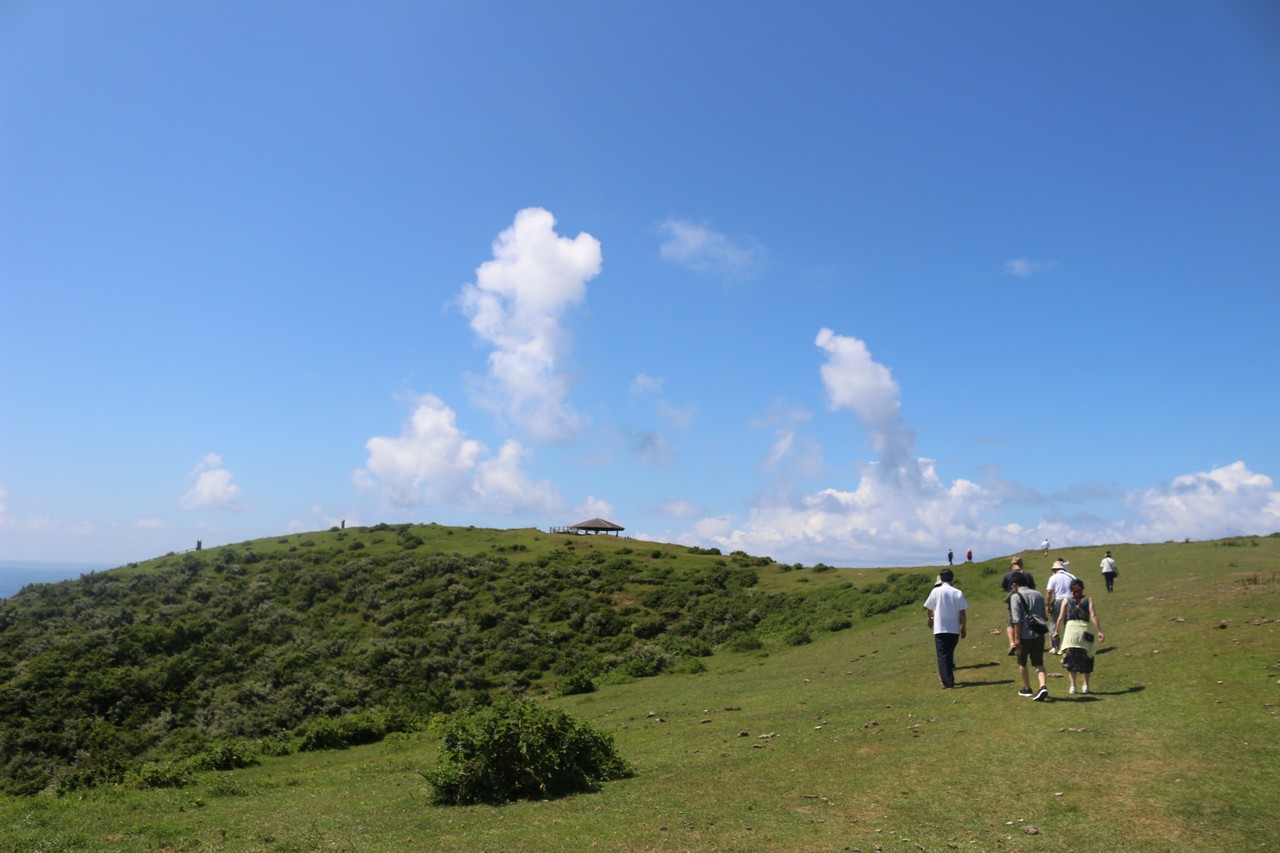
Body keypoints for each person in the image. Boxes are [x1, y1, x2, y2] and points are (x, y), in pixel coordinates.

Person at [1056, 578, 1105, 694]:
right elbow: (1093, 616)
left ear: (1071, 589)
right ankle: (1086, 686)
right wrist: (1099, 631)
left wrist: (1056, 631)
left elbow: (1061, 617)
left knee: (1070, 658)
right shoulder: (1088, 600)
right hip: (1085, 632)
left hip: (1071, 633)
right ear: (1082, 588)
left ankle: (1073, 686)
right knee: (1087, 657)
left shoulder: (1066, 600)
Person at [923, 568, 967, 689]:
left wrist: (930, 620)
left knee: (942, 656)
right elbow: (962, 612)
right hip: (954, 629)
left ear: (941, 578)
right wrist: (964, 627)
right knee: (948, 654)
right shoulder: (957, 592)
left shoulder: (936, 591)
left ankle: (948, 682)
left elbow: (929, 608)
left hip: (940, 628)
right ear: (952, 578)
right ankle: (949, 679)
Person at [1009, 571, 1049, 700]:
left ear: (1015, 584)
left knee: (1022, 662)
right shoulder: (1038, 594)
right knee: (1039, 662)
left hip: (1024, 635)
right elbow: (1043, 616)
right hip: (1039, 634)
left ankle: (1027, 688)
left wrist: (1016, 638)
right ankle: (1043, 686)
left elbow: (1017, 620)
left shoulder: (1015, 597)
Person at [1001, 557, 1037, 655]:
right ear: (1021, 564)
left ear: (1012, 565)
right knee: (1027, 620)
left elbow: (1003, 589)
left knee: (1011, 622)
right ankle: (1028, 642)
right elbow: (1033, 588)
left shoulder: (1007, 575)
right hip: (1027, 600)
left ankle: (1012, 643)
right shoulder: (1027, 574)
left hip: (1013, 600)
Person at [1044, 559, 1077, 655]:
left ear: (1054, 569)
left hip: (1058, 600)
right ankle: (1070, 645)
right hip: (1071, 600)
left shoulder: (1053, 578)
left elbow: (1049, 592)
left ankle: (1055, 646)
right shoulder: (1071, 576)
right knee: (1069, 623)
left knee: (1054, 622)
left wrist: (1048, 604)